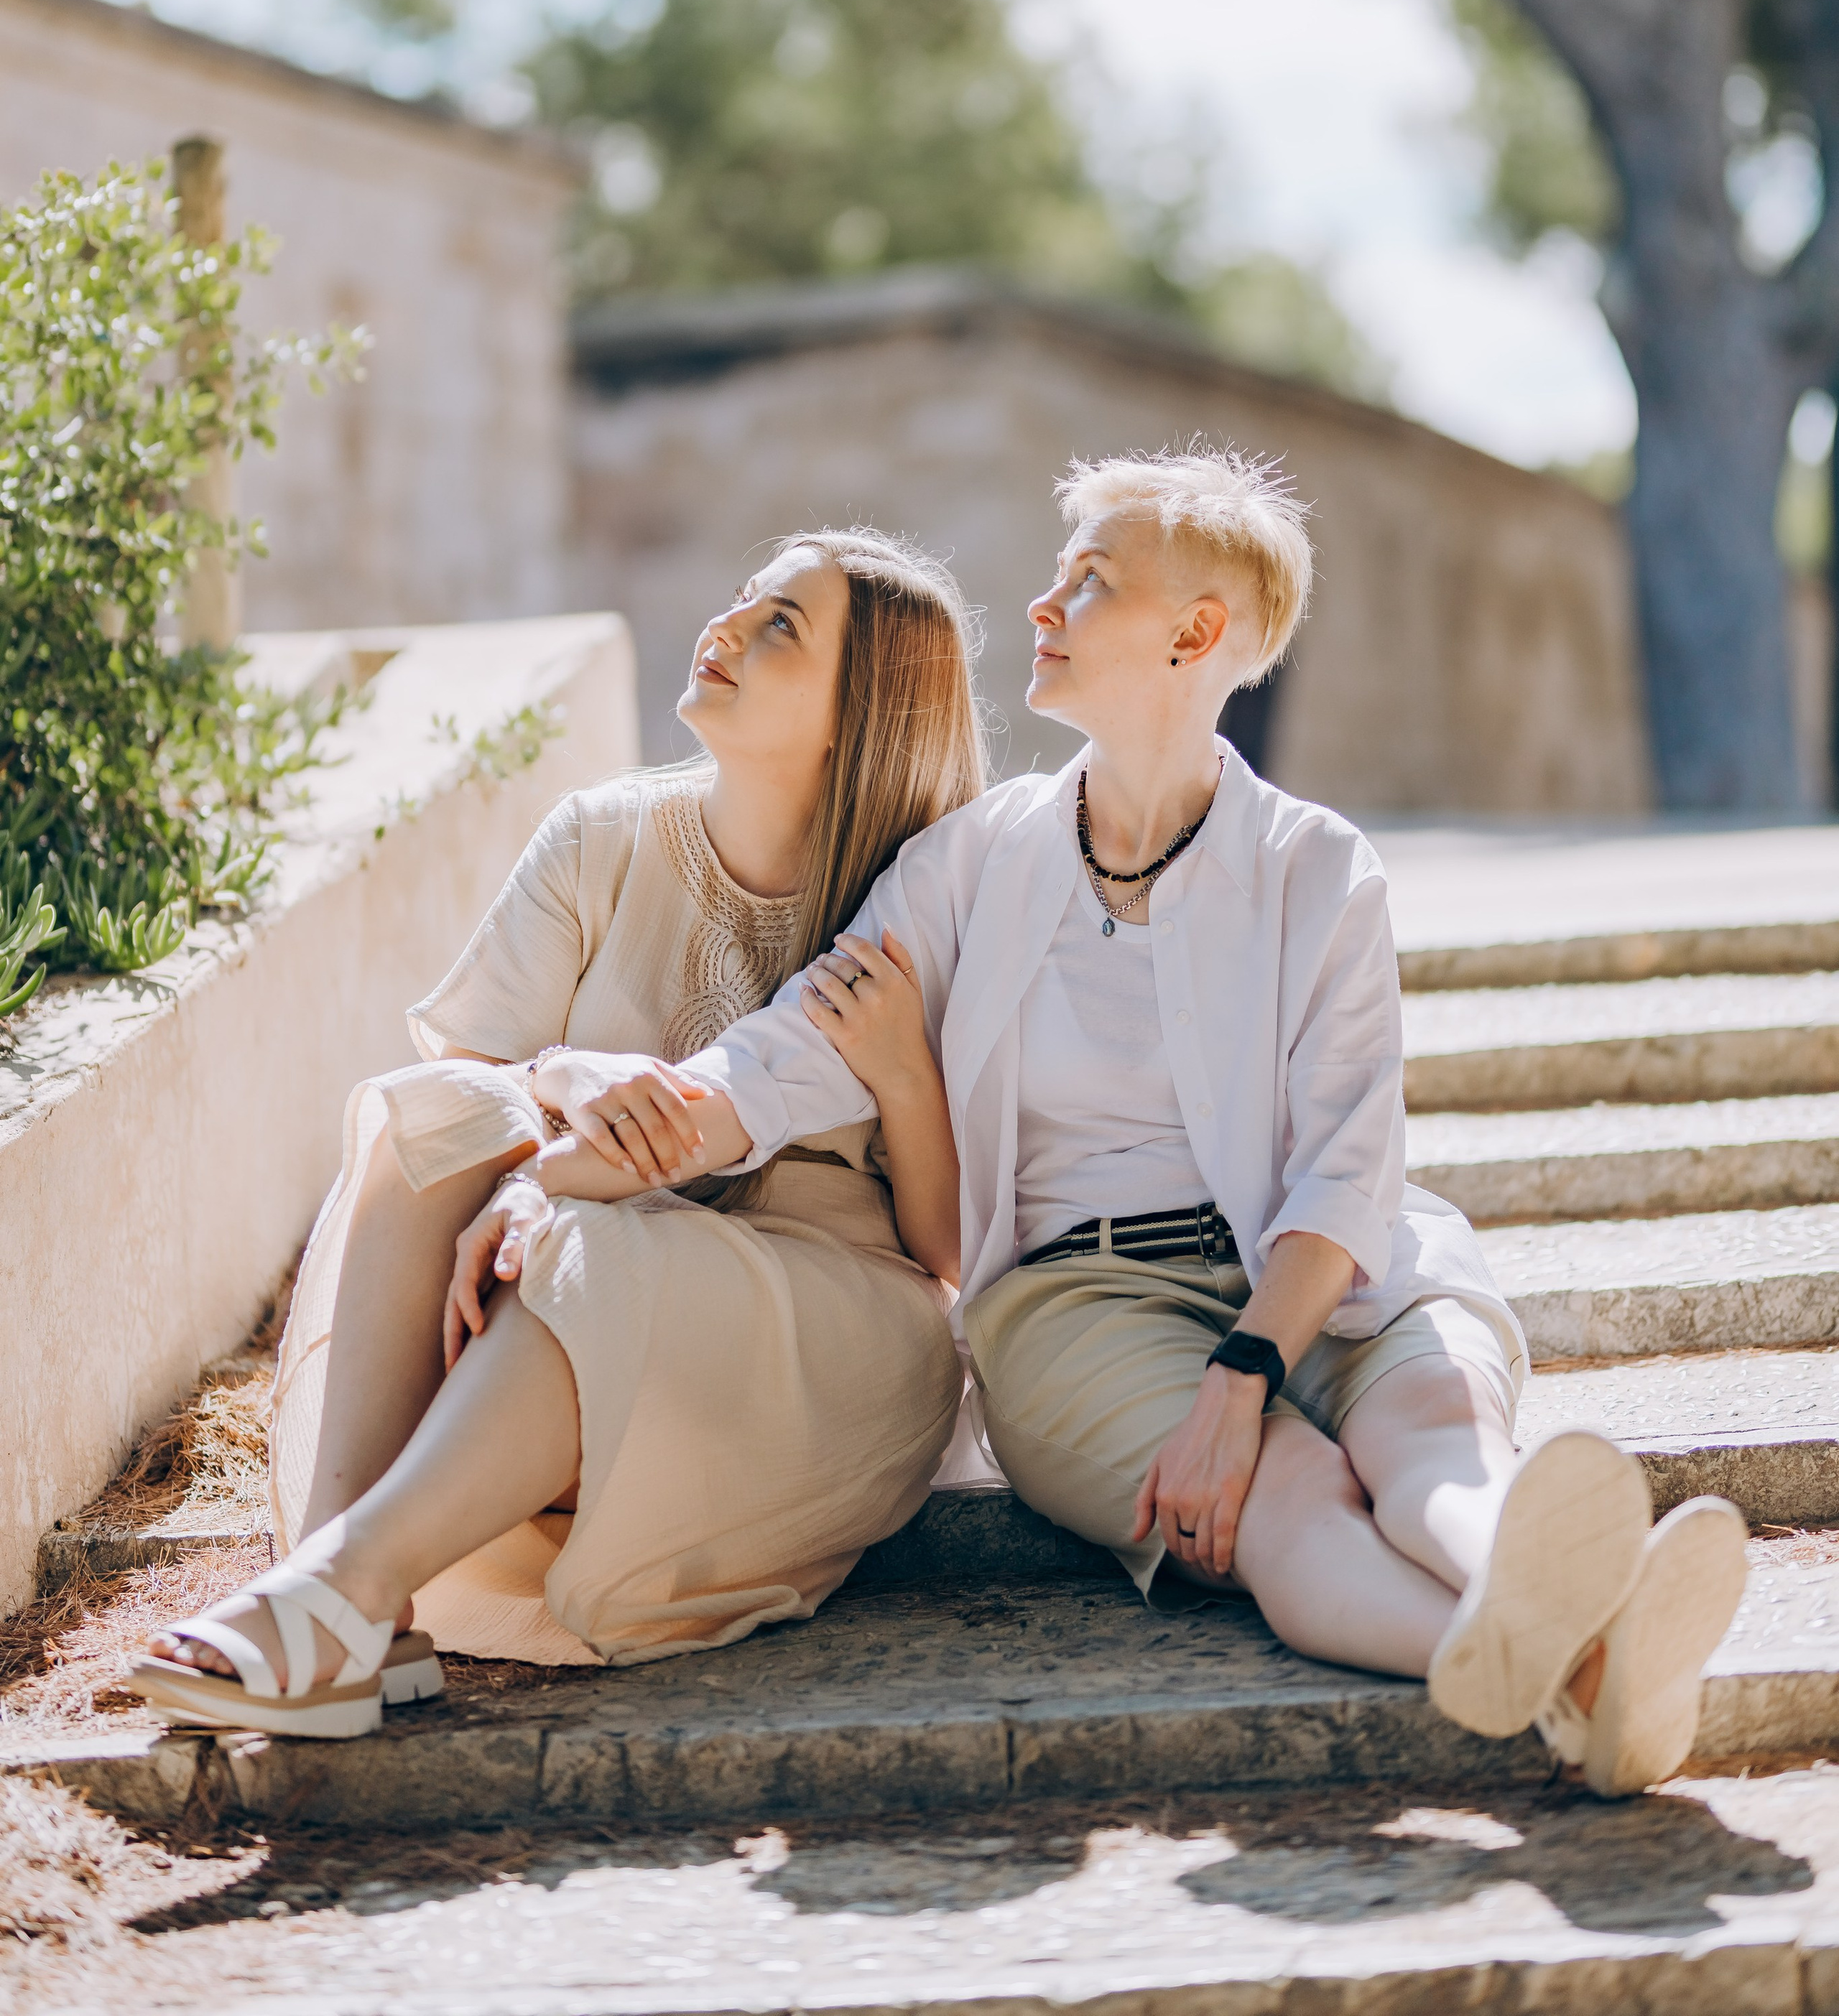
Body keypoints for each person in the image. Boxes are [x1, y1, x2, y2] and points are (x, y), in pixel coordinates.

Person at [617, 446, 1746, 1801]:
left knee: (1434, 1438)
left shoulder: (1319, 870)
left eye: (1087, 583)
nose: (1041, 607)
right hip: (1082, 1309)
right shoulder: (970, 862)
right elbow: (805, 1031)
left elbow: (1347, 1165)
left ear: (1196, 635)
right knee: (1291, 1506)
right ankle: (1569, 1658)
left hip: (1335, 1272)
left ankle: (1561, 1621)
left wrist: (1247, 1368)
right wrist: (674, 1113)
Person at [131, 528, 981, 1736]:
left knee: (599, 1254)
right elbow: (460, 1099)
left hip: (816, 1340)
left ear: (864, 712)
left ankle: (335, 1596)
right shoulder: (601, 838)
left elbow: (948, 1254)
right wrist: (564, 1072)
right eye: (743, 599)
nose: (725, 626)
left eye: (781, 625)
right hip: (558, 1289)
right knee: (431, 1112)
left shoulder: (928, 903)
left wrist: (904, 1075)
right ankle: (348, 1601)